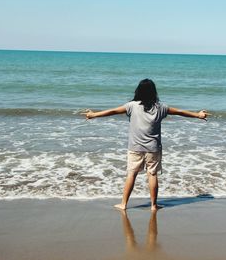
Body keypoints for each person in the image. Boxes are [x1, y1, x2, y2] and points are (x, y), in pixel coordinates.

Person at [82, 79, 210, 211]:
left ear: (138, 91)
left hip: (135, 148)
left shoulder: (131, 106)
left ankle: (124, 204)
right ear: (154, 92)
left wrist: (93, 115)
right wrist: (198, 115)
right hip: (153, 148)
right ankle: (154, 205)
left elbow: (113, 111)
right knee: (152, 175)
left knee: (131, 174)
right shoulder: (161, 107)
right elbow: (180, 112)